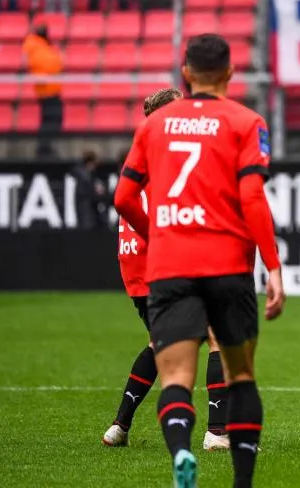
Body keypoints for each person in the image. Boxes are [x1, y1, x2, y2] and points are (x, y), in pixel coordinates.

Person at [114, 34, 285, 488]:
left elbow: (123, 196)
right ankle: (241, 478)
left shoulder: (154, 125)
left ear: (185, 75)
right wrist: (273, 266)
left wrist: (157, 234)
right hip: (227, 264)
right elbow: (252, 196)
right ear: (230, 73)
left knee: (174, 375)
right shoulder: (246, 121)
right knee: (240, 373)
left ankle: (182, 451)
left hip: (170, 267)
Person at [103, 88, 232, 453]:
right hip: (165, 261)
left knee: (160, 342)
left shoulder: (139, 153)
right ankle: (218, 432)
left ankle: (119, 426)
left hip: (133, 264)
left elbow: (127, 199)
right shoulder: (173, 152)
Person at [22, 24, 63, 159]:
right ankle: (43, 149)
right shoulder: (37, 48)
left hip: (49, 89)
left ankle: (45, 148)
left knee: (50, 120)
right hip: (47, 90)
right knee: (51, 120)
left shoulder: (38, 47)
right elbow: (49, 66)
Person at [72, 150, 109, 229]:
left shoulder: (85, 177)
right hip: (88, 219)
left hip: (88, 218)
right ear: (90, 162)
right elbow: (92, 196)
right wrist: (104, 195)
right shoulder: (85, 179)